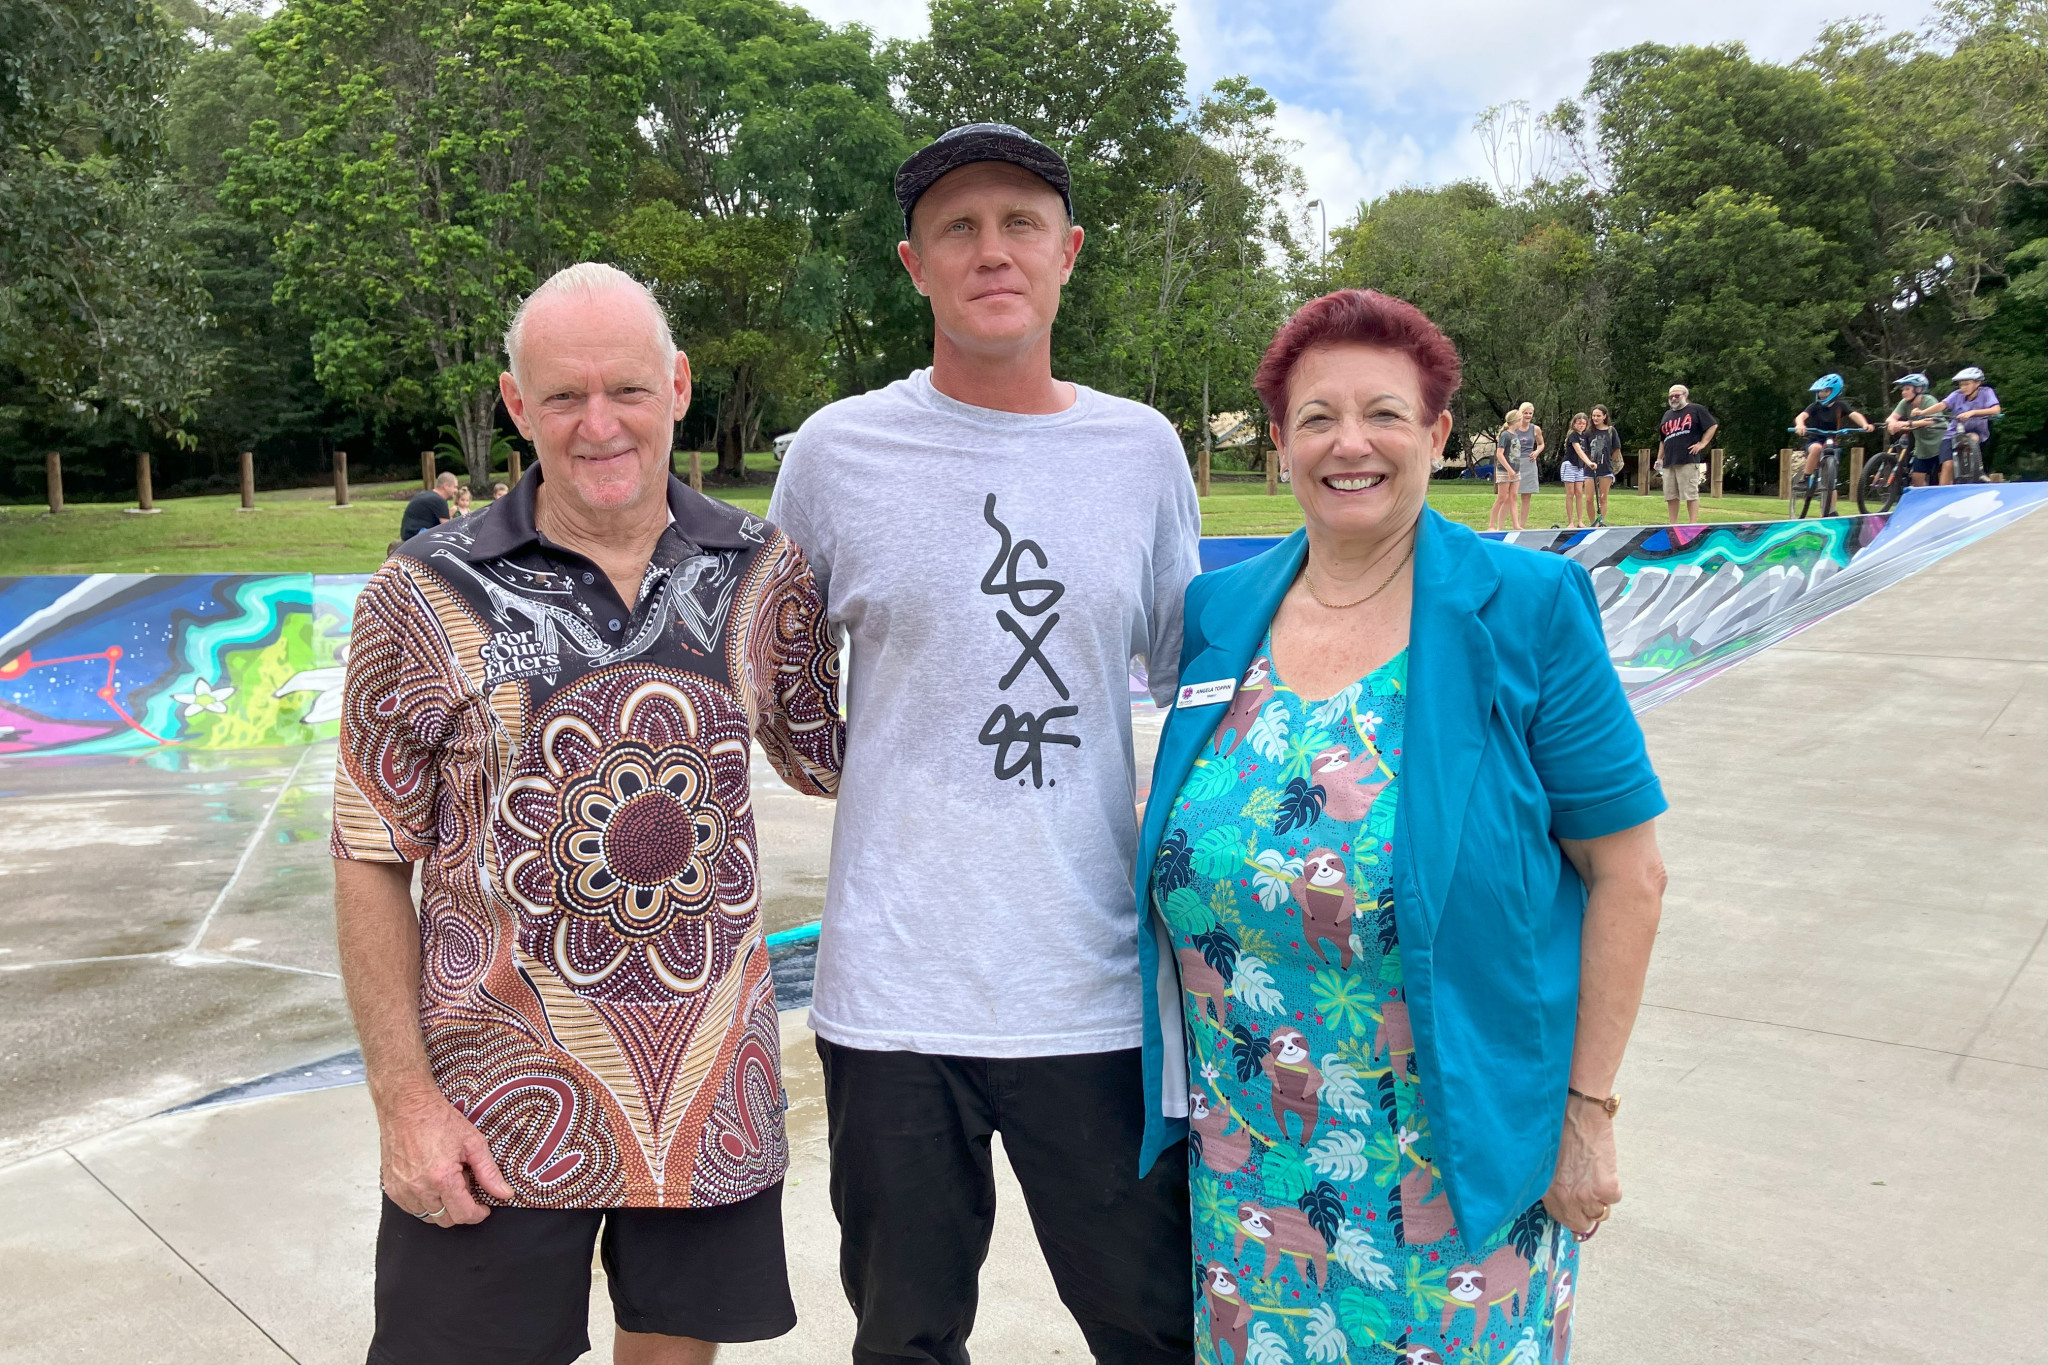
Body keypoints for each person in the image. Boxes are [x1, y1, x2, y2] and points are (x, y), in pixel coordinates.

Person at [1134, 289, 1669, 1364]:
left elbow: (1628, 875)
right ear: (1279, 442)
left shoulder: (1526, 607)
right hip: (1247, 1156)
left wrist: (1586, 1108)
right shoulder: (1219, 615)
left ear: (1435, 436)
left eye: (1383, 414)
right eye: (1316, 417)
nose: (1349, 444)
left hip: (1458, 1152)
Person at [331, 262, 842, 1365]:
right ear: (517, 406)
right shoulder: (419, 596)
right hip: (488, 1108)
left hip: (705, 1101)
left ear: (679, 385)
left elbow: (838, 760)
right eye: (563, 397)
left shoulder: (766, 575)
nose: (598, 425)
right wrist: (402, 1104)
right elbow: (369, 854)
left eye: (627, 390)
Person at [767, 124, 1202, 1365]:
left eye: (1019, 224)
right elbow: (776, 679)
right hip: (895, 993)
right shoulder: (835, 452)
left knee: (1150, 1326)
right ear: (914, 265)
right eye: (957, 227)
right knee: (903, 1337)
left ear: (1067, 256)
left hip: (1090, 990)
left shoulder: (1139, 450)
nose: (990, 251)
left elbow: (1200, 679)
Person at [1793, 373, 1874, 493]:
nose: (1821, 394)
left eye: (1825, 391)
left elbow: (1854, 414)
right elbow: (1801, 416)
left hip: (1832, 442)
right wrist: (1800, 425)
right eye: (1820, 391)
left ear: (1834, 391)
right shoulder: (1815, 406)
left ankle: (1831, 510)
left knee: (1832, 480)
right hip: (1815, 440)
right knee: (1816, 448)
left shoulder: (1840, 406)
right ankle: (1805, 478)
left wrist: (1864, 424)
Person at [1655, 384, 1717, 524]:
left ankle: (1692, 524)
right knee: (1670, 495)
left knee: (1690, 494)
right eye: (1671, 396)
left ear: (1685, 395)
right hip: (1669, 461)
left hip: (1688, 459)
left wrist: (1702, 443)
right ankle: (1673, 525)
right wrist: (1659, 458)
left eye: (1677, 396)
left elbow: (1712, 425)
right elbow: (1662, 439)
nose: (1674, 399)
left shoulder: (1696, 409)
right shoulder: (1667, 415)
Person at [1886, 373, 1947, 487]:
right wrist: (1892, 424)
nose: (1903, 392)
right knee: (1916, 480)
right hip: (1922, 447)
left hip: (1940, 444)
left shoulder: (1929, 400)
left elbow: (1931, 420)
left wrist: (1908, 423)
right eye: (1903, 389)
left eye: (1907, 389)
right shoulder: (1904, 403)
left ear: (1919, 389)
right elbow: (1892, 417)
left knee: (1943, 480)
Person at [1942, 366, 2001, 476]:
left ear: (1978, 383)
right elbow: (1942, 405)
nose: (1963, 387)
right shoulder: (1957, 394)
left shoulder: (1987, 392)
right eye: (1961, 384)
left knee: (1971, 438)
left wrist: (1973, 412)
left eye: (1966, 384)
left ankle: (1976, 471)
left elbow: (1996, 410)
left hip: (1976, 431)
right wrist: (1923, 412)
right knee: (1947, 465)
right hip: (1953, 433)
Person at [1492, 407, 1536, 532]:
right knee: (1502, 498)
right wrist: (1509, 469)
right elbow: (1499, 454)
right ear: (1515, 421)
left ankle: (1516, 524)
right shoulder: (1505, 435)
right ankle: (1493, 525)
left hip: (1516, 470)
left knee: (1514, 496)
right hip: (1505, 470)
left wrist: (1515, 470)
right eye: (1520, 419)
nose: (1522, 421)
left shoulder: (1515, 435)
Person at [1561, 411, 1596, 529]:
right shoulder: (1573, 435)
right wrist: (1589, 462)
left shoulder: (1584, 437)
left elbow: (1585, 451)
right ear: (1574, 424)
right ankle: (1570, 521)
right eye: (1579, 423)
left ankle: (1580, 521)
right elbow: (1578, 450)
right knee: (1570, 493)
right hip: (1570, 465)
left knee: (1580, 493)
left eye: (1583, 424)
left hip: (1580, 467)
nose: (1581, 425)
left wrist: (1587, 462)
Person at [1588, 404, 1621, 526]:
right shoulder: (1588, 431)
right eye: (1593, 416)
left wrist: (1610, 461)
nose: (1595, 418)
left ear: (1604, 416)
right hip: (1589, 468)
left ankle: (1600, 522)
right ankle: (1592, 523)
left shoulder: (1611, 431)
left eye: (1598, 416)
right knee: (1589, 498)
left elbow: (1617, 448)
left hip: (1605, 468)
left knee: (1603, 497)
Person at [399, 471, 457, 540]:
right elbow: (447, 528)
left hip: (407, 533)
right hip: (416, 535)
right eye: (455, 487)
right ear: (446, 486)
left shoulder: (426, 494)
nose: (456, 490)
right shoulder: (439, 500)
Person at [1516, 399, 1544, 529]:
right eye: (1525, 413)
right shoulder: (1513, 426)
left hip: (1529, 463)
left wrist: (1536, 452)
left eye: (1530, 413)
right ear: (1520, 413)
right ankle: (1514, 524)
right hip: (1515, 463)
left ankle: (1522, 525)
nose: (1527, 415)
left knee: (1526, 496)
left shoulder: (1535, 429)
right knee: (1512, 495)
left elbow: (1541, 444)